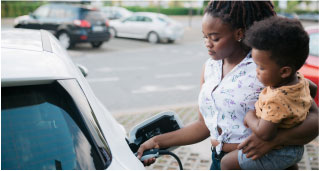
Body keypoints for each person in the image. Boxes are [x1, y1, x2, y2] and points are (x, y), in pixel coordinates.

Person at [137, 1, 319, 170]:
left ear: (239, 33)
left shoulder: (264, 69)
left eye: (215, 38)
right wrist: (157, 142)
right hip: (219, 161)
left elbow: (313, 117)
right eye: (205, 36)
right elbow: (203, 125)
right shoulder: (209, 67)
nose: (207, 43)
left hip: (258, 160)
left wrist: (274, 140)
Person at [220, 16, 314, 170]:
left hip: (280, 151)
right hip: (294, 148)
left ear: (284, 71)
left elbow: (264, 133)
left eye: (261, 67)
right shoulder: (299, 80)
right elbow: (313, 89)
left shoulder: (277, 99)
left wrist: (249, 117)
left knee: (227, 163)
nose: (256, 72)